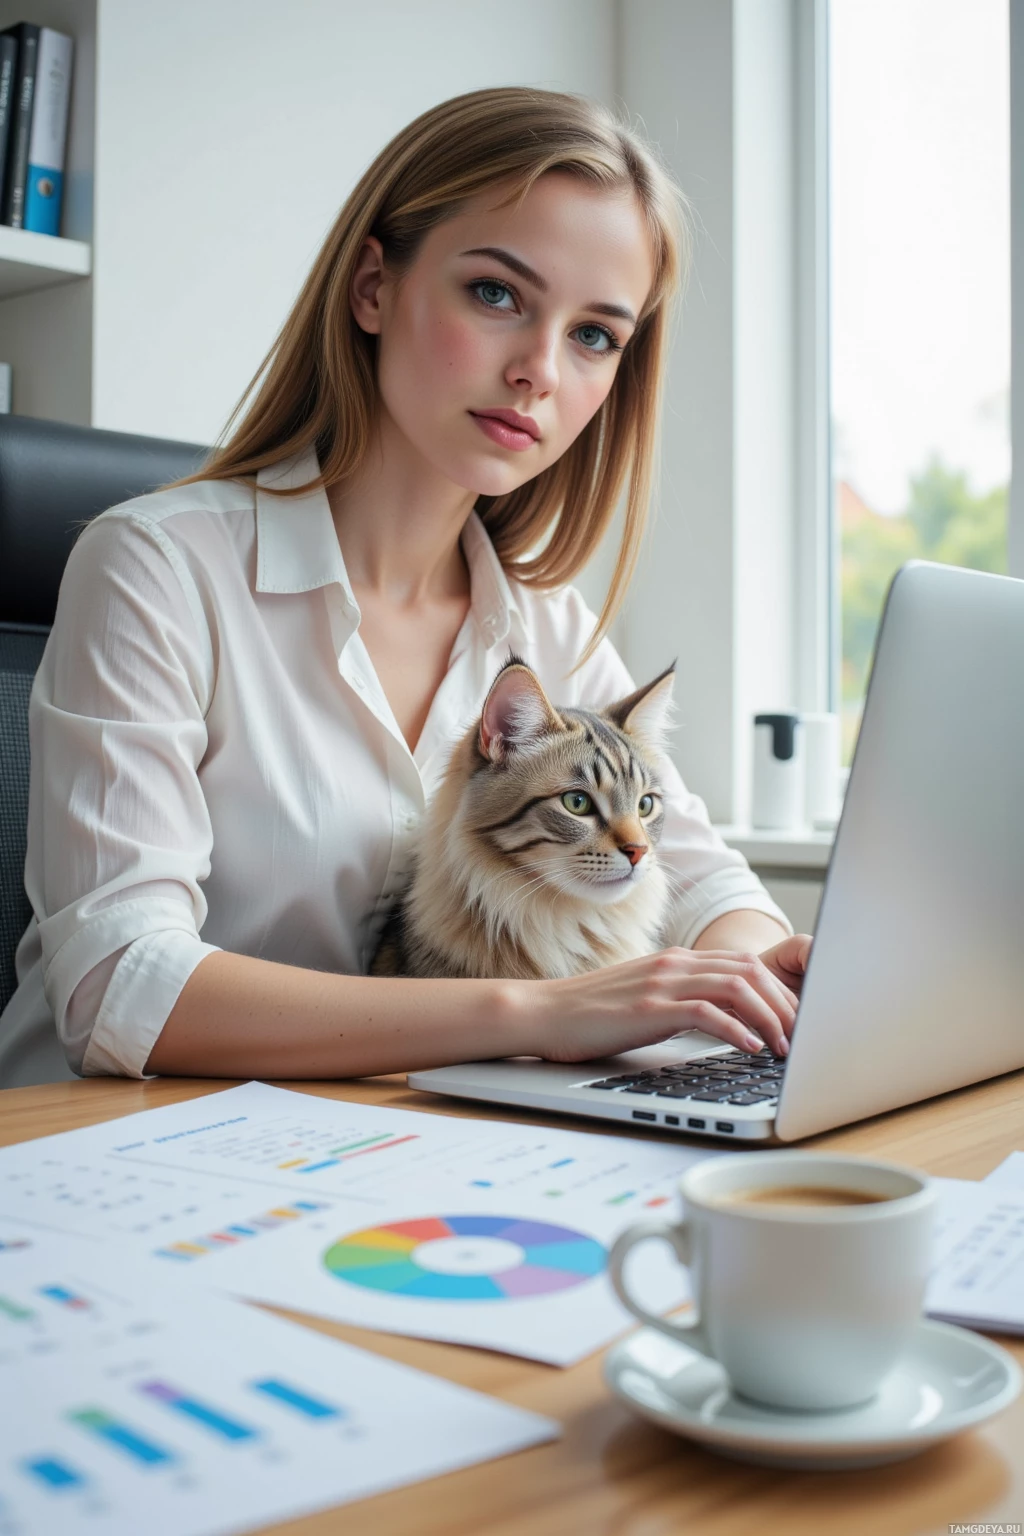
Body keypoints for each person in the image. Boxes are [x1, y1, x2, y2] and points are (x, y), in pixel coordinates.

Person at [0, 87, 810, 1089]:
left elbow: (691, 870)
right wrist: (539, 1012)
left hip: (353, 1150)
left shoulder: (547, 627)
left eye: (594, 335)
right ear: (373, 287)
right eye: (498, 295)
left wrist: (755, 961)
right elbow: (120, 987)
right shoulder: (157, 567)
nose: (539, 372)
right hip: (89, 1160)